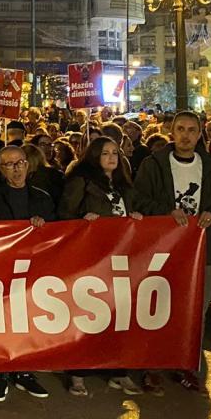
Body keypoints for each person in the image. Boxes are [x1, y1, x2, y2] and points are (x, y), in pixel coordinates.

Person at [133, 111, 211, 395]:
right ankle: (152, 367)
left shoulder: (210, 165)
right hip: (164, 248)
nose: (186, 135)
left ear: (200, 134)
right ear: (171, 132)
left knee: (196, 311)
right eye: (180, 129)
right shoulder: (154, 164)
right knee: (159, 308)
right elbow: (138, 198)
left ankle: (186, 364)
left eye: (191, 130)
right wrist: (166, 213)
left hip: (203, 249)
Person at [57, 136, 145, 396]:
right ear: (94, 156)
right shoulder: (81, 181)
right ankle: (78, 373)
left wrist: (135, 217)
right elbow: (63, 214)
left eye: (115, 152)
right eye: (105, 153)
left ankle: (119, 371)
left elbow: (131, 212)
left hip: (120, 258)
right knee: (87, 314)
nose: (111, 157)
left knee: (119, 315)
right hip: (91, 260)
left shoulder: (122, 185)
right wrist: (83, 220)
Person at [0, 145, 53, 402]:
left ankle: (23, 371)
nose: (16, 169)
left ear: (28, 165)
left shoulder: (42, 198)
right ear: (1, 168)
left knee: (27, 320)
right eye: (9, 164)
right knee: (0, 320)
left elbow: (57, 235)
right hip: (0, 269)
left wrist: (43, 227)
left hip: (33, 269)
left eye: (20, 163)